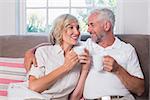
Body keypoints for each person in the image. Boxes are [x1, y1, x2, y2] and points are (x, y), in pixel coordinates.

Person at [24, 8, 145, 100]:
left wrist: (118, 69)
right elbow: (59, 44)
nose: (87, 30)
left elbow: (140, 90)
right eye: (87, 26)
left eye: (91, 25)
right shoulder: (85, 46)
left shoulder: (127, 50)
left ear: (106, 26)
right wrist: (32, 51)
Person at [8, 14, 91, 100]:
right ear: (59, 30)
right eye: (71, 27)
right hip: (29, 96)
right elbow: (34, 87)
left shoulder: (81, 54)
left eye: (78, 28)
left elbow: (74, 98)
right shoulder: (43, 52)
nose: (77, 32)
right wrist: (65, 67)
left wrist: (85, 69)